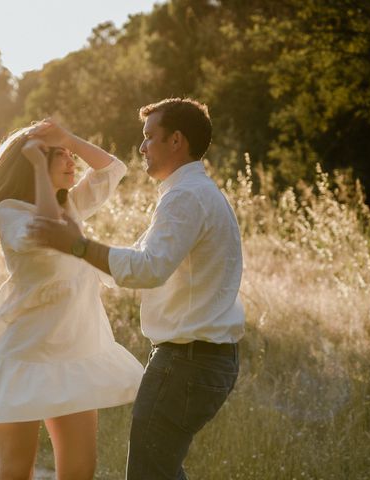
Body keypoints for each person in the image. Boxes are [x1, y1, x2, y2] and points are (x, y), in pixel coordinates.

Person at [29, 98, 245, 480]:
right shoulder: (194, 192)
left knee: (150, 474)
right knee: (161, 471)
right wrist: (79, 246)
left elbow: (148, 270)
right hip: (200, 360)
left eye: (149, 137)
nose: (142, 147)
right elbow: (138, 264)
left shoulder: (185, 197)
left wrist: (77, 246)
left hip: (187, 363)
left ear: (176, 140)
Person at [0, 124, 143, 480]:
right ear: (34, 164)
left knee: (79, 471)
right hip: (25, 353)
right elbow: (47, 229)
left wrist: (67, 139)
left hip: (74, 353)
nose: (73, 162)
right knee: (15, 470)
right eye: (62, 156)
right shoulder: (10, 212)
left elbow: (112, 169)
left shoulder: (68, 203)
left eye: (71, 155)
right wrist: (40, 167)